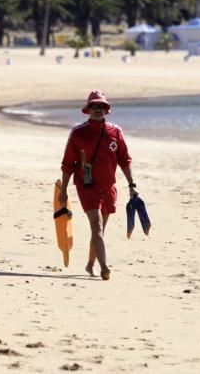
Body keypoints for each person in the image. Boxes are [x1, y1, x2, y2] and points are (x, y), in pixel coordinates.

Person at [59, 90, 135, 281]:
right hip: (87, 186)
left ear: (106, 109)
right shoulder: (78, 133)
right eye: (94, 106)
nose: (98, 109)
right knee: (96, 226)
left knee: (100, 229)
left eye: (101, 106)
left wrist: (132, 185)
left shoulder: (115, 131)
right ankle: (104, 268)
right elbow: (67, 163)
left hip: (109, 186)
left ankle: (90, 264)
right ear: (88, 109)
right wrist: (64, 190)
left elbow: (124, 160)